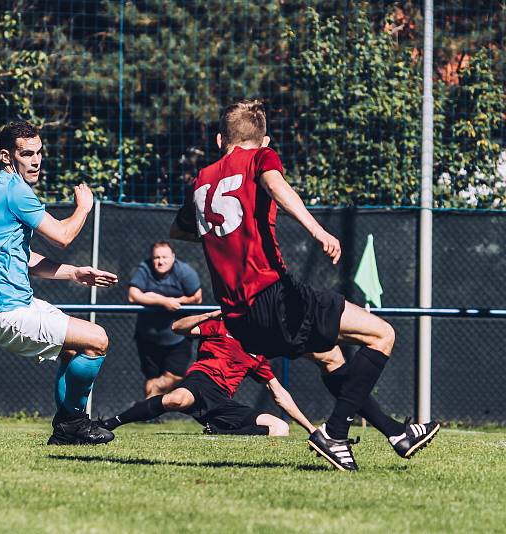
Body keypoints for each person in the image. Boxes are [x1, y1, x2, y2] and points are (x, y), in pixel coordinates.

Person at [171, 100, 439, 470]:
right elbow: (277, 186)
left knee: (331, 357)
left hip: (241, 321)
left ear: (220, 140)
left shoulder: (200, 181)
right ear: (264, 141)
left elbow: (180, 230)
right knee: (382, 335)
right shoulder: (260, 159)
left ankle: (396, 433)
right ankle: (335, 432)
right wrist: (317, 230)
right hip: (273, 296)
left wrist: (220, 238)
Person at [0, 120, 119, 445]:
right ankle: (72, 423)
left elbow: (22, 257)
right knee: (97, 339)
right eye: (27, 154)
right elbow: (63, 235)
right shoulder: (15, 191)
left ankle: (67, 428)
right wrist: (84, 208)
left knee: (74, 349)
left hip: (8, 305)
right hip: (5, 310)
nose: (35, 161)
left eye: (39, 153)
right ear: (7, 157)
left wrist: (74, 272)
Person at [99, 310, 315, 436]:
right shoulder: (220, 326)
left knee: (280, 428)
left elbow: (280, 394)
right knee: (177, 399)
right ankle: (109, 423)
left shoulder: (258, 354)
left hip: (221, 400)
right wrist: (212, 314)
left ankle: (220, 433)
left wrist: (311, 430)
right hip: (201, 380)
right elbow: (177, 327)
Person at [128, 241, 202, 397]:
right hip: (148, 335)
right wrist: (163, 301)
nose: (160, 261)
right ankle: (147, 415)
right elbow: (133, 295)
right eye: (156, 257)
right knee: (151, 377)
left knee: (175, 376)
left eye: (165, 257)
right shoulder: (145, 268)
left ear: (173, 257)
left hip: (178, 336)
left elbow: (197, 297)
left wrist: (178, 301)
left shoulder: (184, 271)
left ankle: (147, 406)